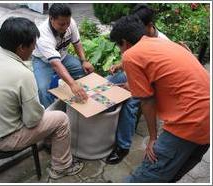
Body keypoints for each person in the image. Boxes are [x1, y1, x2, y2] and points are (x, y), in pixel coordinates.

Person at [0, 17, 84, 180]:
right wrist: (42, 110)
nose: (34, 49)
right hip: (0, 140)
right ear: (21, 47)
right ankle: (62, 167)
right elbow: (32, 121)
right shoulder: (23, 74)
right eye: (33, 45)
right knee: (61, 119)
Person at [110, 15, 210, 183]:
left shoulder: (130, 55)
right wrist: (132, 87)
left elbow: (147, 101)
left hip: (192, 121)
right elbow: (165, 81)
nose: (121, 52)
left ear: (124, 42)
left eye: (119, 46)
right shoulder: (162, 43)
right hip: (207, 120)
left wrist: (153, 138)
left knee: (147, 175)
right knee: (170, 174)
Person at [105, 3, 170, 165]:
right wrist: (119, 66)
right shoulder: (141, 39)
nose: (137, 31)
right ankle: (105, 119)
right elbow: (132, 55)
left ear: (149, 26)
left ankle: (123, 146)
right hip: (136, 74)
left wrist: (132, 87)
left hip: (153, 83)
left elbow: (149, 90)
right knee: (109, 81)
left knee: (130, 103)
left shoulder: (163, 42)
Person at [32, 3, 94, 108]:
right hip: (43, 61)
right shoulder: (43, 34)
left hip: (63, 57)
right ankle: (53, 114)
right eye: (61, 24)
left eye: (67, 23)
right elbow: (56, 64)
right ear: (51, 19)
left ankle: (82, 100)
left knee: (83, 70)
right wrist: (72, 84)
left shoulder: (71, 23)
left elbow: (77, 43)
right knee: (43, 89)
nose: (65, 27)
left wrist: (84, 61)